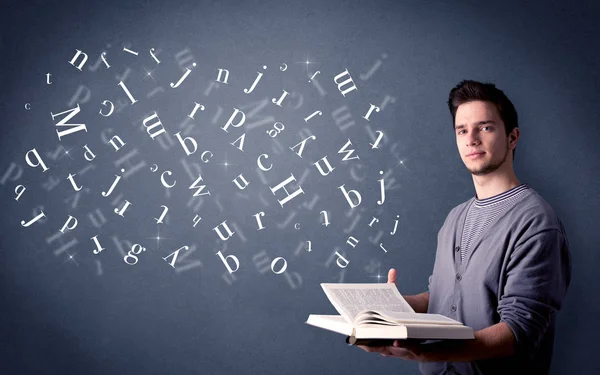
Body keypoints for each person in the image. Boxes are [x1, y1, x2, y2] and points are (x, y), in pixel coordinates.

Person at [358, 80, 572, 374]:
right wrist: (391, 307)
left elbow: (518, 331)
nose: (471, 139)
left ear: (512, 137)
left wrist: (424, 353)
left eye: (485, 127)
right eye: (462, 130)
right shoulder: (454, 218)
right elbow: (442, 298)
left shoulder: (536, 222)